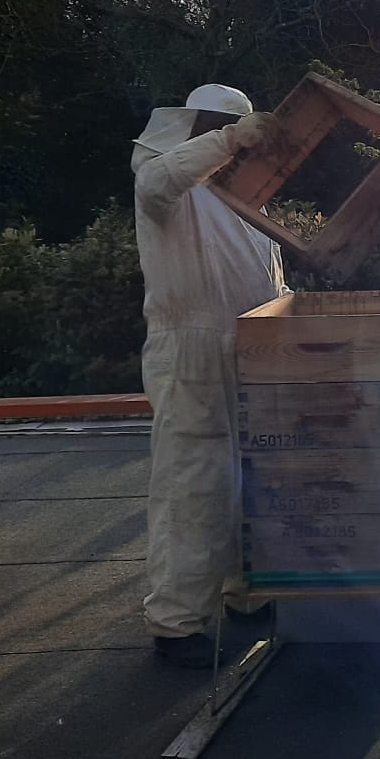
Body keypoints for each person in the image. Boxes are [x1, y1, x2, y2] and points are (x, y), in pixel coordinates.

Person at [132, 83, 283, 666]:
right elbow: (158, 182)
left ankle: (246, 593)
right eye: (223, 129)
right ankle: (177, 624)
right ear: (197, 126)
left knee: (255, 476)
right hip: (190, 348)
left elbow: (268, 281)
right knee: (193, 483)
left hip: (251, 350)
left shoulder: (248, 205)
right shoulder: (164, 179)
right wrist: (225, 139)